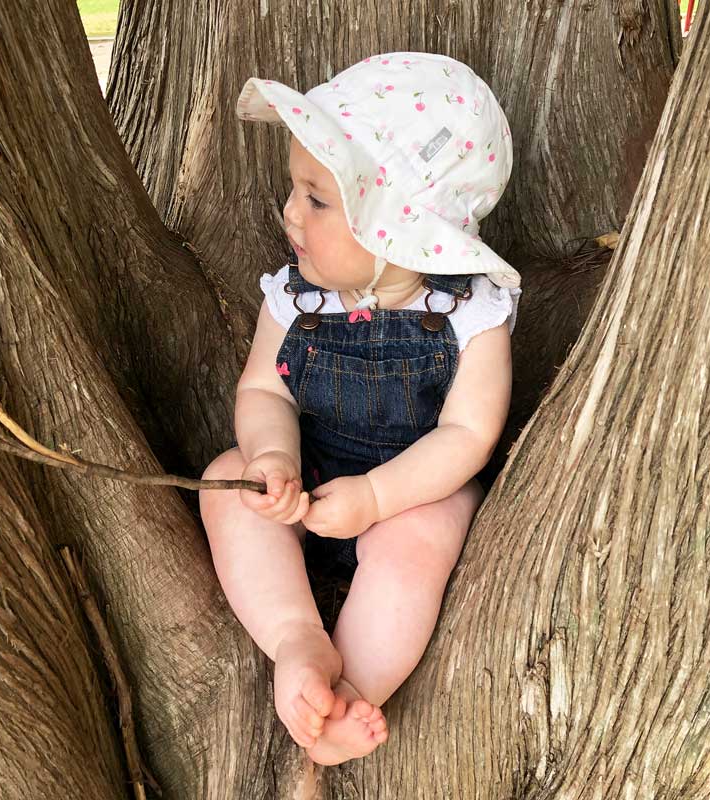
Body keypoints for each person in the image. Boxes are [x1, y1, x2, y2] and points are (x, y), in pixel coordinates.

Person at [199, 51, 521, 766]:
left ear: (397, 228)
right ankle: (297, 637)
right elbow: (262, 390)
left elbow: (469, 435)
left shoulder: (471, 315)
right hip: (309, 476)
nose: (289, 212)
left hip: (411, 489)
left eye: (317, 200)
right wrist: (272, 457)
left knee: (427, 533)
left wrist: (379, 497)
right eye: (295, 189)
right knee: (227, 485)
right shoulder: (296, 297)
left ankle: (353, 690)